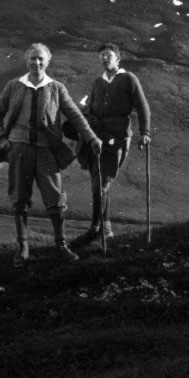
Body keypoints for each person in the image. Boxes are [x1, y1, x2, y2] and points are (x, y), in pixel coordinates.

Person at [0, 43, 102, 268]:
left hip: (46, 151)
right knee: (20, 199)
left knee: (55, 197)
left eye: (41, 59)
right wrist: (3, 139)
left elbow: (75, 115)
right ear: (26, 60)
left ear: (48, 61)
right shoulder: (14, 86)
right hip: (19, 150)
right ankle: (22, 247)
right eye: (33, 58)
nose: (37, 63)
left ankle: (60, 245)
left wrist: (91, 138)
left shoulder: (56, 88)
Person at [72, 43, 151, 249]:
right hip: (96, 137)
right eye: (102, 56)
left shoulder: (128, 79)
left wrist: (145, 133)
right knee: (97, 182)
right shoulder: (98, 82)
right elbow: (90, 108)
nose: (104, 59)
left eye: (108, 55)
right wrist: (87, 119)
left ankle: (97, 229)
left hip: (116, 138)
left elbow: (142, 107)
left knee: (102, 183)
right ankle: (104, 229)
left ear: (118, 58)